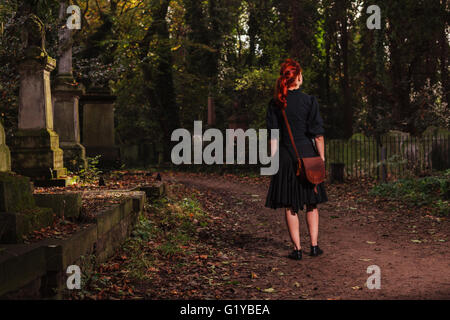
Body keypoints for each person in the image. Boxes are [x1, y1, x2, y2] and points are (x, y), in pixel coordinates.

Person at [265, 58, 328, 261]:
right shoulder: (310, 101)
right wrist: (322, 158)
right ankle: (315, 246)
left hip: (286, 156)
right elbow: (318, 134)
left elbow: (273, 137)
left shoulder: (276, 103)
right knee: (312, 203)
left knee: (291, 205)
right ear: (298, 77)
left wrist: (273, 160)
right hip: (308, 156)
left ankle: (297, 250)